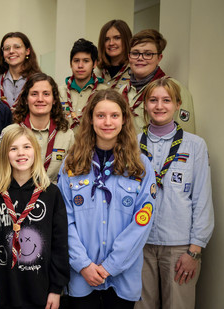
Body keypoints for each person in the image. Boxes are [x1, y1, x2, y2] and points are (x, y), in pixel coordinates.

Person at [57, 89, 156, 308]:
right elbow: (64, 220)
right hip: (81, 276)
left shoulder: (140, 166)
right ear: (90, 120)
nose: (107, 122)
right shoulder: (72, 165)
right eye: (100, 115)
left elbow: (142, 221)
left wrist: (111, 266)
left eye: (114, 115)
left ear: (124, 120)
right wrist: (83, 265)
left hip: (123, 277)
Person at [135, 77, 214, 309]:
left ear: (178, 104)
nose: (159, 106)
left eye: (166, 100)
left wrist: (195, 251)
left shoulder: (195, 145)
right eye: (153, 100)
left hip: (180, 247)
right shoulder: (131, 143)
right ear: (145, 105)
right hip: (139, 243)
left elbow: (202, 200)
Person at [0, 124, 69, 309]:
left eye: (26, 147)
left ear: (35, 151)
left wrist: (57, 289)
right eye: (13, 148)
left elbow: (60, 245)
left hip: (40, 289)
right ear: (4, 155)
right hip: (1, 289)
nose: (20, 153)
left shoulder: (51, 194)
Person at [119, 29, 195, 133]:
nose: (140, 58)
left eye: (148, 54)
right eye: (135, 53)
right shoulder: (123, 91)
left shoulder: (175, 89)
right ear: (129, 57)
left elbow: (186, 135)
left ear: (159, 58)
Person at [11, 73, 74, 183]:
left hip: (54, 196)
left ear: (54, 99)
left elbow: (72, 175)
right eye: (34, 94)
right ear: (26, 99)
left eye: (46, 94)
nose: (40, 99)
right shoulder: (10, 132)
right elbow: (0, 172)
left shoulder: (67, 135)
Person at [59, 38, 107, 132]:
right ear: (70, 63)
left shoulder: (104, 92)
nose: (80, 65)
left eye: (86, 61)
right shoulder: (59, 92)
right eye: (76, 61)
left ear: (94, 64)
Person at [0, 32, 41, 108]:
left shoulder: (39, 81)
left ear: (27, 51)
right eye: (7, 48)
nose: (11, 51)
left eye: (17, 47)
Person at [95, 20, 132, 90]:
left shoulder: (135, 71)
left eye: (117, 38)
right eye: (107, 39)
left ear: (126, 40)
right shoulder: (96, 72)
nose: (111, 43)